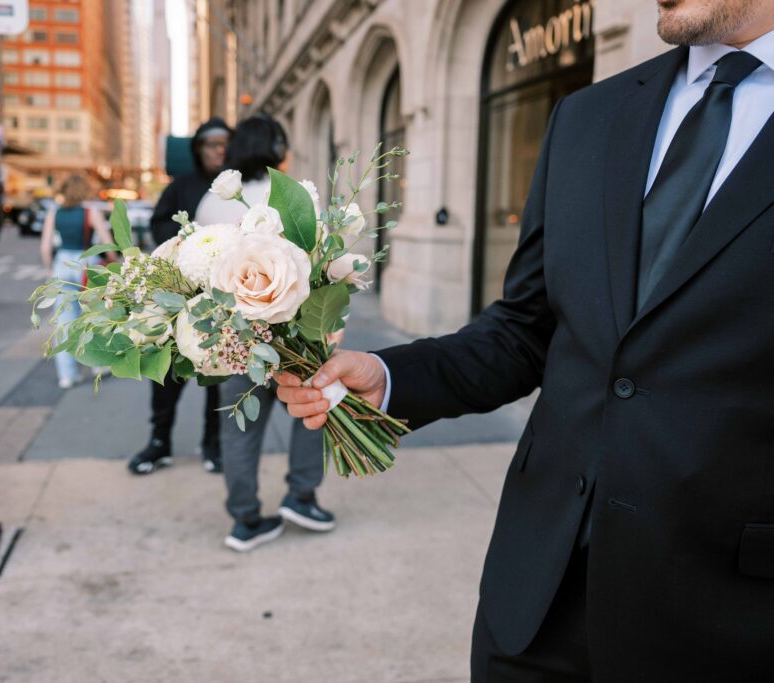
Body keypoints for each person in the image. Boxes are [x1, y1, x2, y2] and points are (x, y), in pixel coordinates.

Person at [275, 2, 774, 680]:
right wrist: (389, 378)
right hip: (535, 598)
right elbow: (524, 330)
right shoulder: (588, 115)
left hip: (729, 617)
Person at [197, 116, 336, 553]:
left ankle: (245, 520)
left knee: (239, 430)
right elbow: (323, 266)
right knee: (312, 414)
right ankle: (301, 497)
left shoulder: (210, 203)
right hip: (297, 336)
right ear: (276, 148)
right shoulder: (292, 197)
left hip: (236, 341)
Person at [128, 117, 233, 475]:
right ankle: (159, 442)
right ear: (198, 149)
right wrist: (186, 242)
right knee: (167, 373)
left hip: (223, 299)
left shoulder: (234, 189)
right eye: (212, 144)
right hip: (179, 294)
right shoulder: (181, 186)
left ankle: (213, 443)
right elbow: (158, 223)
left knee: (218, 373)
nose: (219, 151)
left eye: (225, 144)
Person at [40, 174, 111, 389]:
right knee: (94, 317)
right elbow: (107, 243)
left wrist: (49, 269)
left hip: (62, 264)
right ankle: (98, 364)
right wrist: (113, 262)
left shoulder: (54, 213)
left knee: (64, 323)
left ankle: (67, 376)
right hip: (85, 264)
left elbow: (45, 247)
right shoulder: (91, 212)